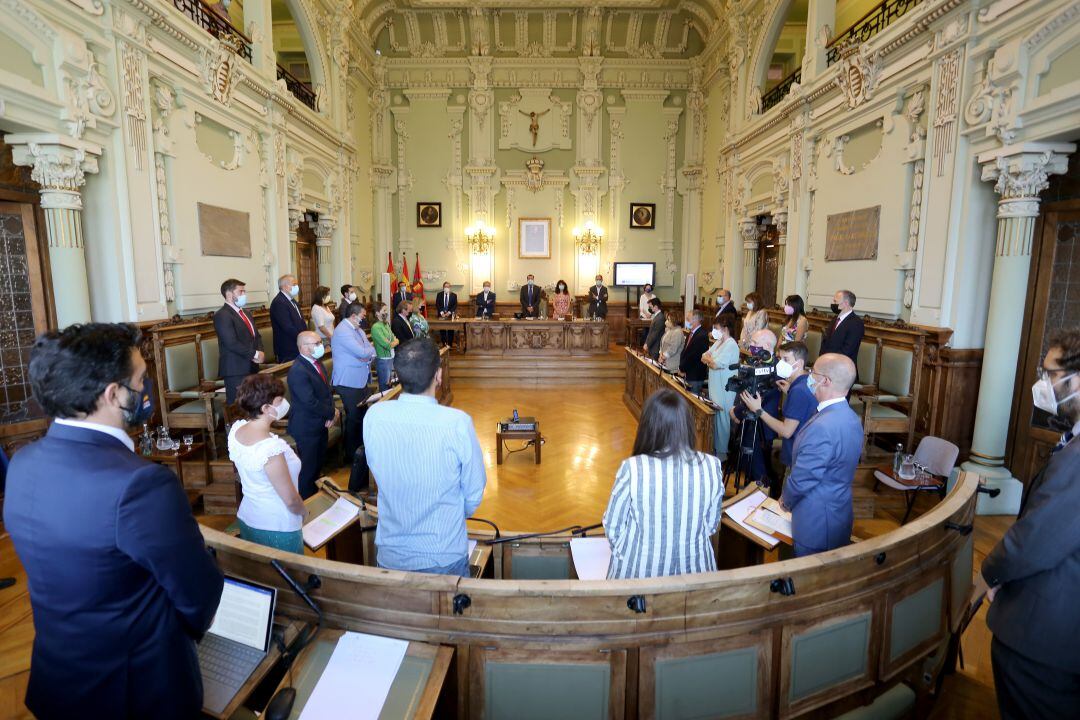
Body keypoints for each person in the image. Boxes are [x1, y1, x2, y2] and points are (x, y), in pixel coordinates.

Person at [3, 323, 223, 719]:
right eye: (141, 380)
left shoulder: (23, 462)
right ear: (112, 394)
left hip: (60, 677)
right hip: (135, 691)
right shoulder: (140, 484)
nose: (146, 390)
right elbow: (199, 596)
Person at [982, 329, 1080, 719]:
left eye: (1050, 374)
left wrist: (989, 573)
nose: (1044, 385)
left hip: (1043, 640)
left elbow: (1036, 539)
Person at [363, 339, 486, 575]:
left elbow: (377, 469)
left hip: (390, 552)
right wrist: (449, 515)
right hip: (443, 553)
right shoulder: (456, 423)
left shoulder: (374, 415)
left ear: (398, 374)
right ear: (438, 375)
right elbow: (474, 491)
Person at [603, 388, 725, 579]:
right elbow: (711, 524)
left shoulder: (633, 468)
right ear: (686, 425)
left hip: (640, 574)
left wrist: (628, 552)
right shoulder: (712, 466)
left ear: (648, 426)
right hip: (696, 573)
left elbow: (612, 526)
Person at [780, 353, 863, 557]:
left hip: (815, 522)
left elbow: (803, 479)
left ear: (825, 381)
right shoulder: (852, 418)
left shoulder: (823, 427)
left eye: (812, 372)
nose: (809, 376)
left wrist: (785, 501)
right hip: (838, 513)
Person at [229, 374, 305, 553]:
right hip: (277, 525)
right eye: (280, 400)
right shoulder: (270, 449)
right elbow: (291, 500)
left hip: (248, 517)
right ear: (266, 408)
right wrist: (304, 513)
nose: (285, 403)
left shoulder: (237, 430)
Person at [740, 341, 817, 497]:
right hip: (803, 452)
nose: (781, 364)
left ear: (799, 363)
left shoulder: (799, 391)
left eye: (786, 360)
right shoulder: (804, 382)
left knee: (787, 503)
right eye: (779, 358)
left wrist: (759, 410)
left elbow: (787, 431)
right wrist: (789, 391)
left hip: (796, 456)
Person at [287, 331, 338, 499]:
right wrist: (332, 412)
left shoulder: (317, 363)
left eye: (319, 342)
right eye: (316, 343)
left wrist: (331, 414)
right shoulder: (298, 370)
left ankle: (316, 501)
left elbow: (326, 392)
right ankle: (307, 506)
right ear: (303, 347)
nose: (320, 346)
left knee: (317, 467)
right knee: (308, 472)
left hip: (320, 423)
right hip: (306, 427)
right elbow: (309, 402)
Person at [730, 329, 782, 490]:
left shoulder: (775, 369)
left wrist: (736, 411)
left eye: (755, 343)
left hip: (761, 425)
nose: (751, 345)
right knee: (748, 464)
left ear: (767, 346)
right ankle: (748, 493)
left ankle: (760, 496)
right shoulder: (758, 361)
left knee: (758, 469)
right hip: (749, 420)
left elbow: (760, 397)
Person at [332, 303, 375, 468]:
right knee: (354, 418)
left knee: (361, 417)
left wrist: (367, 353)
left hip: (361, 378)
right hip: (348, 381)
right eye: (362, 316)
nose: (364, 319)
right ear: (353, 315)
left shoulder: (358, 330)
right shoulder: (343, 331)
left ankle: (360, 453)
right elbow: (364, 352)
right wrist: (367, 353)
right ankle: (351, 456)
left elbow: (368, 348)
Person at [214, 277, 265, 403]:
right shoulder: (222, 315)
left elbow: (256, 336)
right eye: (241, 291)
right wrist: (255, 354)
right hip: (235, 369)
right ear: (229, 294)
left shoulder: (246, 313)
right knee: (239, 407)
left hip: (252, 366)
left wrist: (261, 352)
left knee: (253, 404)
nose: (244, 294)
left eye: (244, 291)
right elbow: (231, 343)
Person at [703, 314, 739, 461]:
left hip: (725, 387)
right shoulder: (719, 342)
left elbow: (715, 364)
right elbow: (704, 356)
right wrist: (710, 360)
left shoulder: (731, 344)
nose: (714, 331)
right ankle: (715, 448)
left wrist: (710, 360)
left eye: (716, 328)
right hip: (715, 385)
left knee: (723, 419)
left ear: (725, 328)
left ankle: (722, 453)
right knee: (715, 417)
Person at [820, 289, 865, 375]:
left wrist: (829, 363)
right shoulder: (835, 319)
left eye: (835, 301)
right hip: (827, 366)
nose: (833, 303)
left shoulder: (856, 323)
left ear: (846, 303)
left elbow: (847, 350)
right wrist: (822, 360)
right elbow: (825, 343)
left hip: (843, 371)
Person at [270, 274, 307, 362]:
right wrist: (303, 339)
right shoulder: (279, 302)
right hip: (287, 349)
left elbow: (301, 321)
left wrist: (306, 336)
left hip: (298, 345)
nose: (297, 286)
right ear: (285, 286)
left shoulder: (292, 300)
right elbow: (288, 327)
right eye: (294, 284)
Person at [679, 310, 709, 395]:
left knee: (692, 401)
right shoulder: (691, 333)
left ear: (695, 320)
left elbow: (693, 357)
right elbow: (685, 351)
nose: (686, 321)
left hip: (695, 375)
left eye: (688, 319)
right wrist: (681, 367)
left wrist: (682, 368)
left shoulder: (701, 335)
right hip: (688, 372)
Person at [371, 303, 398, 391]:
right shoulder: (376, 327)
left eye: (386, 310)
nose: (386, 312)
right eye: (384, 310)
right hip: (383, 360)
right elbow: (387, 345)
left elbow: (395, 338)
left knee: (391, 384)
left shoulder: (386, 324)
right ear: (377, 313)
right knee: (385, 387)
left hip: (391, 357)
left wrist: (394, 341)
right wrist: (394, 342)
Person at [435, 281, 458, 347]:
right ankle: (444, 344)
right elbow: (437, 304)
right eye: (445, 287)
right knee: (442, 330)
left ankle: (450, 344)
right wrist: (442, 312)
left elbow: (455, 305)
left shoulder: (454, 295)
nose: (446, 288)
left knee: (451, 330)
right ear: (443, 287)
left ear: (450, 288)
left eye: (448, 287)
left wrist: (449, 312)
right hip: (441, 315)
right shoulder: (439, 294)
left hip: (450, 316)